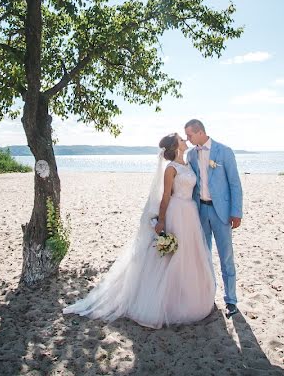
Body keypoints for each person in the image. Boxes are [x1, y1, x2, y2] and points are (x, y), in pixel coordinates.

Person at [63, 133, 215, 328]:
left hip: (190, 212)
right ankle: (171, 300)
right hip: (177, 212)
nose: (185, 140)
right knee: (174, 256)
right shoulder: (171, 169)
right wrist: (161, 221)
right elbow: (166, 197)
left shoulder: (187, 164)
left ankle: (191, 295)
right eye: (181, 138)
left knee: (190, 254)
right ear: (176, 146)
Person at [185, 118, 243, 318]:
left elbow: (235, 183)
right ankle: (208, 297)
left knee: (226, 257)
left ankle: (231, 301)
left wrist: (237, 212)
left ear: (200, 131)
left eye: (189, 135)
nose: (188, 139)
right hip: (201, 212)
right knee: (205, 256)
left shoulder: (224, 151)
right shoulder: (190, 155)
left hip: (222, 213)